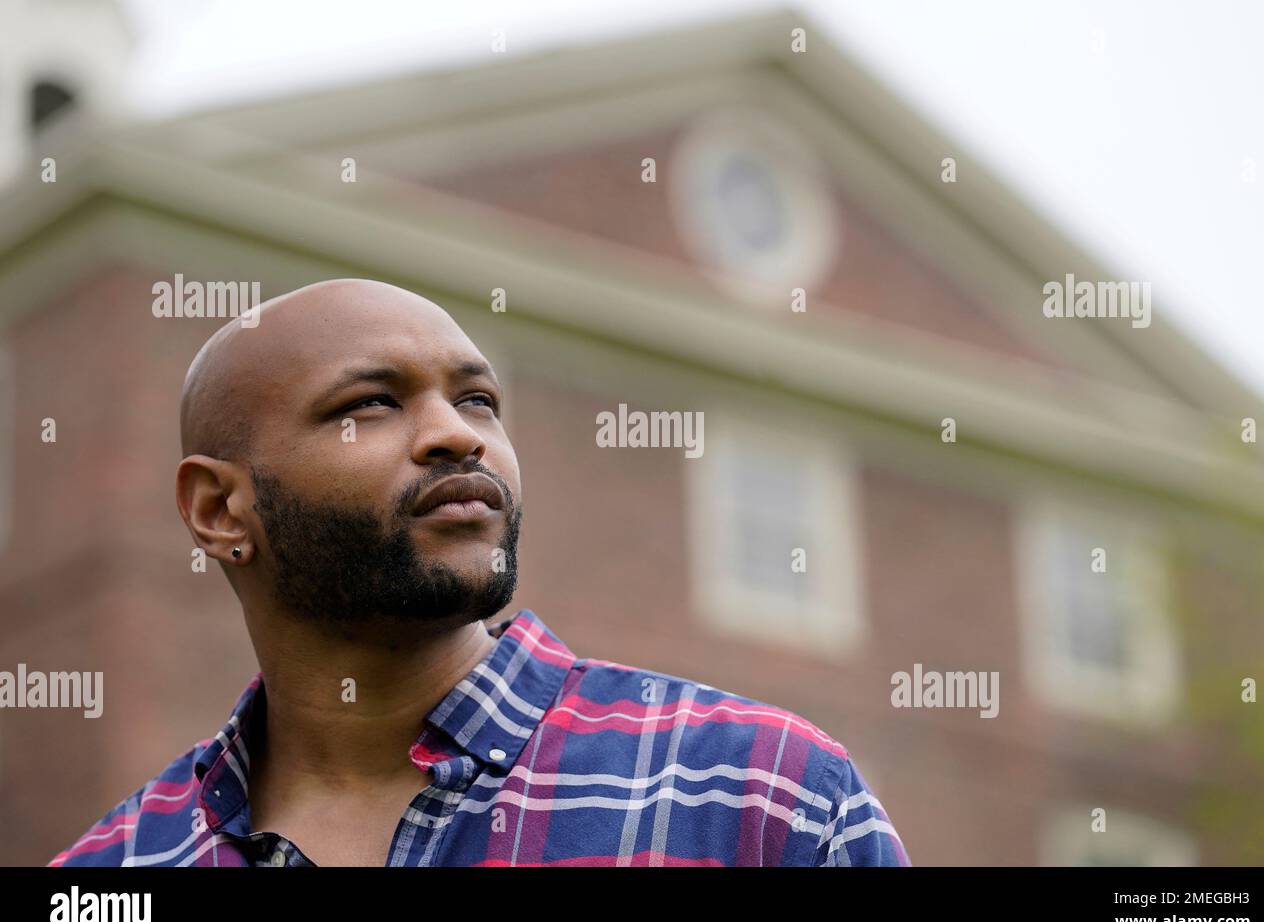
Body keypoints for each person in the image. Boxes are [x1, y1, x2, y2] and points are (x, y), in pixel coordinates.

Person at [49, 278, 910, 867]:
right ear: (219, 511)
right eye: (371, 405)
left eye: (477, 401)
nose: (457, 436)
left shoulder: (762, 795)